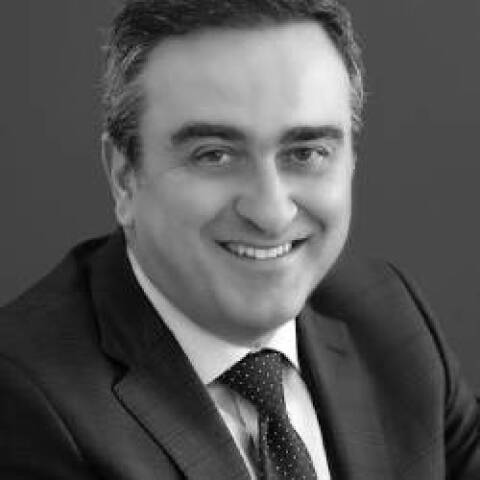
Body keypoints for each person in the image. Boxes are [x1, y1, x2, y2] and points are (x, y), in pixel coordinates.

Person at [0, 0, 479, 478]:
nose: (271, 213)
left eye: (306, 152)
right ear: (124, 177)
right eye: (214, 155)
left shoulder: (389, 317)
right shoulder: (25, 403)